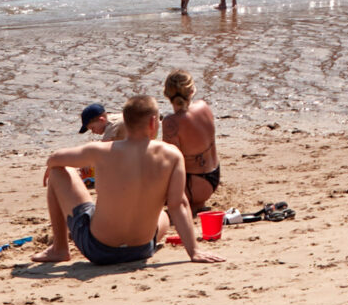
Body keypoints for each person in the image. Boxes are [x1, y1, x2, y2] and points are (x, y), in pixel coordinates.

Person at [32, 94, 220, 268]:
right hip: (141, 249)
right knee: (162, 215)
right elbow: (178, 205)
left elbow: (55, 158)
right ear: (153, 122)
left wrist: (52, 165)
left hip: (98, 250)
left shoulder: (101, 151)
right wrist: (193, 251)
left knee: (58, 172)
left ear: (126, 121)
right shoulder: (172, 155)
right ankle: (139, 235)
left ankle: (60, 249)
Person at [163, 70, 221, 218]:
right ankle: (196, 204)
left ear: (166, 94)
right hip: (213, 177)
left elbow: (169, 162)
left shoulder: (171, 123)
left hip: (194, 186)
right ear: (192, 91)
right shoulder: (204, 106)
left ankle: (189, 203)